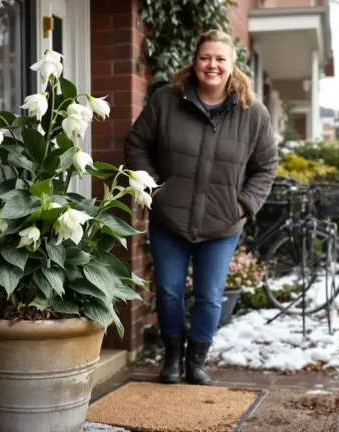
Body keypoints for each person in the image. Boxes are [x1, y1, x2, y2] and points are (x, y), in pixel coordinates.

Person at [124, 30, 278, 385]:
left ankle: (197, 361)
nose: (213, 65)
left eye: (220, 59)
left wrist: (243, 205)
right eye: (206, 57)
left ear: (232, 64)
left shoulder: (253, 113)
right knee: (168, 291)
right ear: (195, 62)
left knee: (209, 296)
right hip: (170, 218)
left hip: (222, 223)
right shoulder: (166, 101)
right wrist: (156, 189)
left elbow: (266, 166)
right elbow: (136, 144)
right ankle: (173, 358)